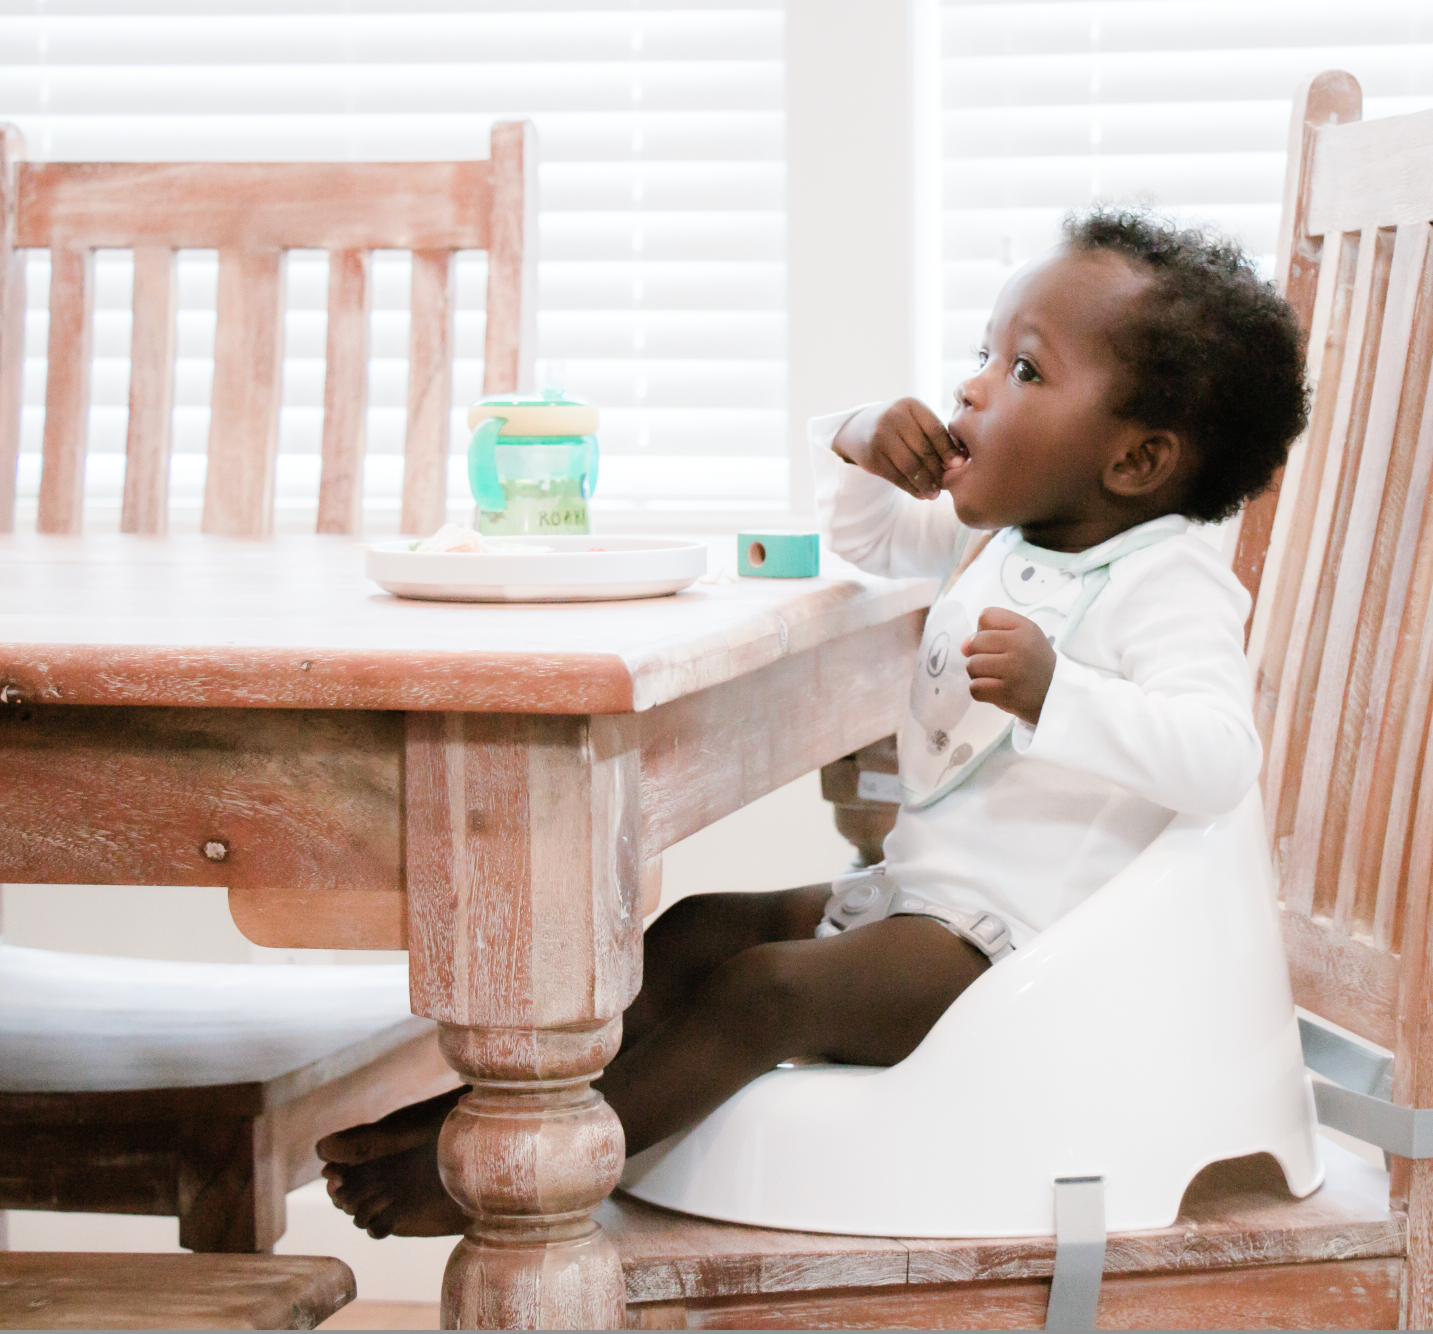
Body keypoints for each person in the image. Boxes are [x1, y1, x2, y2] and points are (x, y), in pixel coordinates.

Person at [316, 207, 1310, 1239]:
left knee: (764, 993)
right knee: (696, 929)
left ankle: (529, 1173)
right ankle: (498, 1117)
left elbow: (1219, 758)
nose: (972, 385)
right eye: (983, 353)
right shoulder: (1017, 540)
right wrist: (860, 441)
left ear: (1137, 462)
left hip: (1021, 953)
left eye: (1025, 371)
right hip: (923, 905)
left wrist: (1060, 693)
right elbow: (871, 539)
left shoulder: (1167, 585)